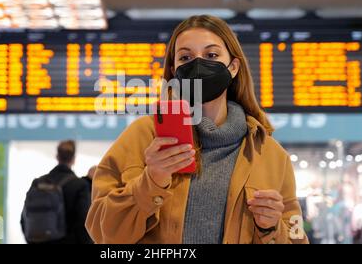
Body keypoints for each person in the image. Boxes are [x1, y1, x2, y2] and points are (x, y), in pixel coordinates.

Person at [86, 15, 309, 244]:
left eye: (211, 55)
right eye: (186, 57)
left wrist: (272, 228)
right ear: (174, 71)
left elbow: (297, 237)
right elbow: (102, 233)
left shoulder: (271, 155)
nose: (198, 64)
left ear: (233, 67)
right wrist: (150, 181)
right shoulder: (142, 137)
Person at [21, 140, 92, 244]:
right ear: (73, 159)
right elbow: (84, 223)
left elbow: (24, 219)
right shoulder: (80, 185)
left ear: (57, 156)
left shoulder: (38, 183)